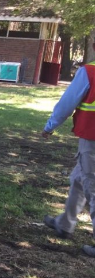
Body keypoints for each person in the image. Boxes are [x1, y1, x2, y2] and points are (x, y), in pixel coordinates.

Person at [42, 47, 95, 257]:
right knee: (79, 179)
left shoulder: (90, 72)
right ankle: (65, 223)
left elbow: (68, 102)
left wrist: (50, 126)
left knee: (92, 185)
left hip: (92, 137)